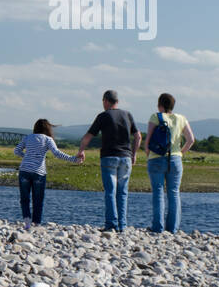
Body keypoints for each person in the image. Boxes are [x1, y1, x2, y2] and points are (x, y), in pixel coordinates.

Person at [78, 89, 141, 232]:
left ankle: (111, 224)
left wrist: (81, 151)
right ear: (117, 101)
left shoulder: (103, 116)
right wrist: (134, 154)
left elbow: (88, 136)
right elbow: (138, 136)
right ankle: (122, 225)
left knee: (110, 192)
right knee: (123, 192)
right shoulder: (128, 114)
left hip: (108, 157)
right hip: (125, 157)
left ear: (106, 101)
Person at [14, 119, 81, 229]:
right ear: (47, 129)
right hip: (39, 172)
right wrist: (74, 159)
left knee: (24, 198)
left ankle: (27, 222)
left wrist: (26, 157)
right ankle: (36, 223)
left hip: (24, 171)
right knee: (38, 199)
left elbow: (16, 151)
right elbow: (57, 153)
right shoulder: (48, 139)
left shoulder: (27, 137)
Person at [145, 92, 196, 233]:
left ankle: (157, 228)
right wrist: (180, 153)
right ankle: (172, 229)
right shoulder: (181, 118)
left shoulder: (155, 117)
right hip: (175, 159)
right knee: (174, 193)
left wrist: (148, 155)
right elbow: (191, 139)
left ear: (159, 104)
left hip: (156, 158)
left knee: (158, 193)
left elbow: (148, 141)